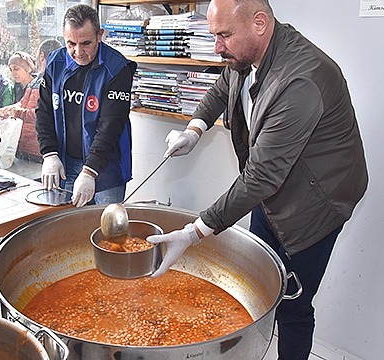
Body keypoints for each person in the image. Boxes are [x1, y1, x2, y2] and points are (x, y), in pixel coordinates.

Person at [145, 1, 368, 360]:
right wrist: (194, 128)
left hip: (316, 207)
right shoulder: (245, 53)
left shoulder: (301, 79)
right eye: (214, 35)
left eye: (223, 35)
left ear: (259, 23)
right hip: (270, 194)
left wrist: (192, 233)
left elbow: (262, 175)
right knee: (258, 284)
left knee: (293, 304)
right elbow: (222, 88)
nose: (217, 47)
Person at [36, 4, 136, 207]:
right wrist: (49, 154)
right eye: (71, 43)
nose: (78, 52)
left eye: (86, 43)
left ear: (100, 35)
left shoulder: (117, 69)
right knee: (69, 230)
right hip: (66, 163)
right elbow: (44, 111)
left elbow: (110, 127)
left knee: (106, 230)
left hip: (106, 169)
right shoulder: (55, 63)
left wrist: (89, 171)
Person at [0, 47, 60, 163]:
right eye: (11, 69)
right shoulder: (37, 80)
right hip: (23, 148)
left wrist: (17, 113)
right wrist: (6, 110)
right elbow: (23, 103)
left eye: (16, 69)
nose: (13, 73)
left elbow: (43, 114)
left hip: (39, 150)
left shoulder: (54, 82)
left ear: (41, 56)